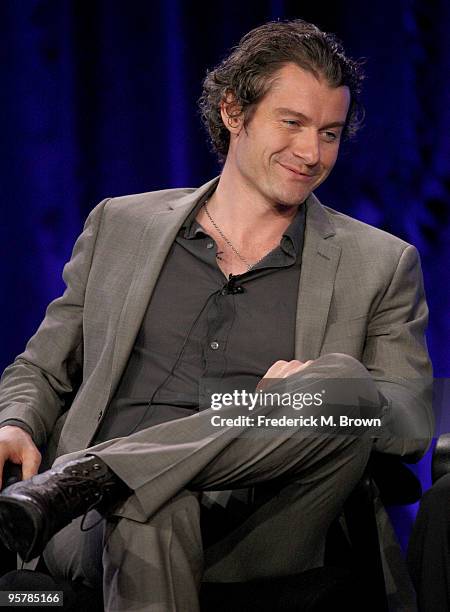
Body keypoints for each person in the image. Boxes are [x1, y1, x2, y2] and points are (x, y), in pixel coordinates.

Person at [0, 19, 433, 611]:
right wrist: (16, 421)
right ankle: (116, 477)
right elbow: (42, 368)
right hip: (98, 525)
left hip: (266, 520)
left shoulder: (380, 262)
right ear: (234, 112)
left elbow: (409, 421)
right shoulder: (120, 226)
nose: (312, 153)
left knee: (345, 385)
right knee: (154, 502)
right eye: (293, 124)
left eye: (330, 134)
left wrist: (303, 397)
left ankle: (102, 470)